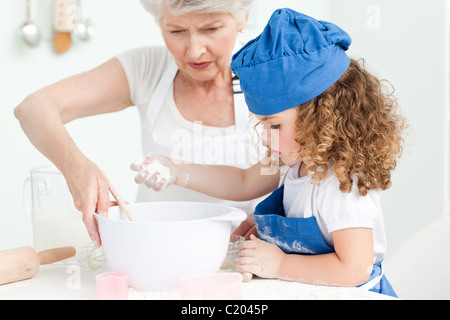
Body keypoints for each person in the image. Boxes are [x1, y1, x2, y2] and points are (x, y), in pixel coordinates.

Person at [131, 8, 406, 297]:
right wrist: (176, 169)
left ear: (320, 118)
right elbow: (243, 183)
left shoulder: (340, 182)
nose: (266, 136)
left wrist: (280, 263)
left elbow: (353, 269)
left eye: (273, 125)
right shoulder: (294, 161)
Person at [14, 0, 260, 248]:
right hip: (155, 251)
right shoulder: (147, 69)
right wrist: (74, 166)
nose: (194, 51)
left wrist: (275, 218)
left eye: (212, 29)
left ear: (243, 18)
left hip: (249, 258)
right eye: (176, 31)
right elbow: (33, 108)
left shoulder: (270, 73)